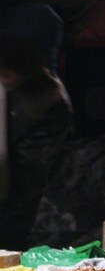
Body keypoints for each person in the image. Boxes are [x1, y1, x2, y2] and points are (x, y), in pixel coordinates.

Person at [0, 33, 73, 251]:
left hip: (17, 200)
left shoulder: (44, 100)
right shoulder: (50, 93)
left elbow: (29, 166)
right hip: (18, 198)